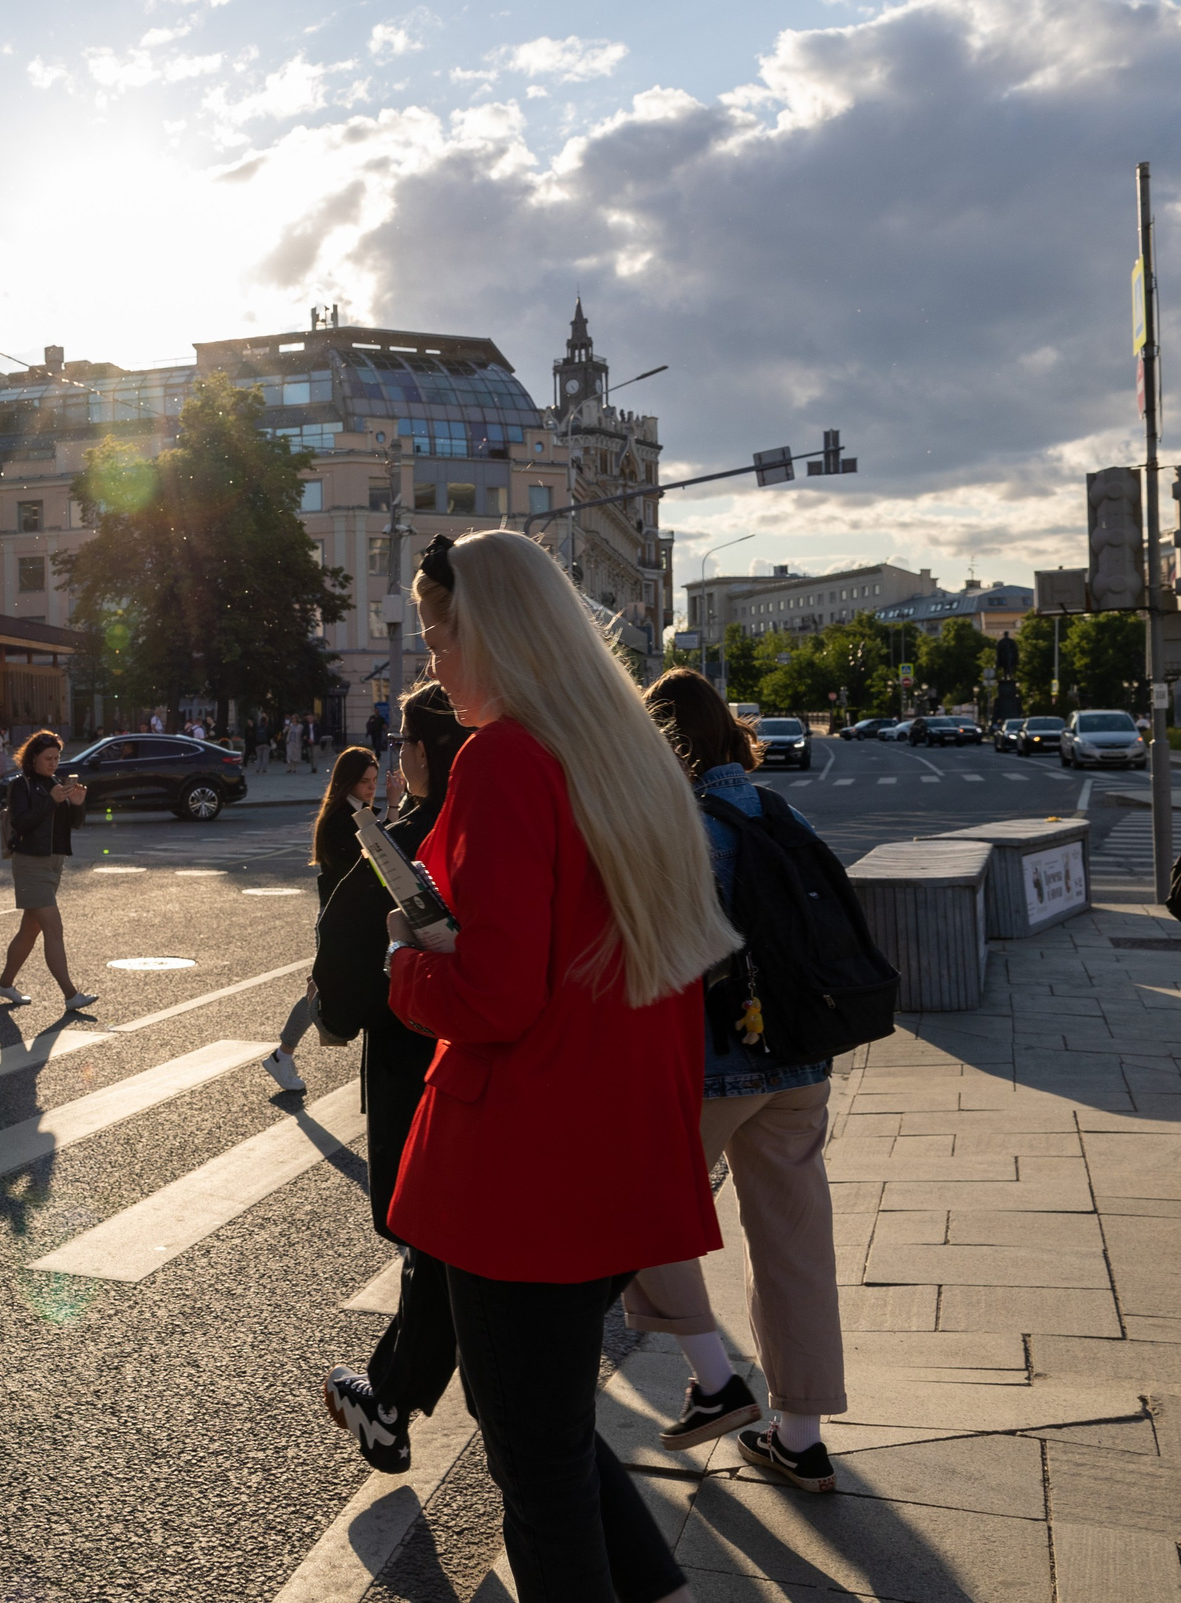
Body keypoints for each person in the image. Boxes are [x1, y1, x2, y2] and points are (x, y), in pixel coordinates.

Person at [381, 530, 734, 1602]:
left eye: (440, 633)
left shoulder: (503, 759)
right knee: (543, 1425)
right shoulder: (620, 749)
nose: (430, 661)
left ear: (493, 630)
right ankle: (659, 1589)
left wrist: (404, 963)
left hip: (518, 1165)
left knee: (533, 1469)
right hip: (611, 1147)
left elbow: (494, 996)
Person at [622, 670, 849, 1491]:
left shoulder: (679, 827)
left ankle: (713, 1381)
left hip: (719, 1063)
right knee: (795, 1242)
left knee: (636, 1206)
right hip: (802, 1062)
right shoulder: (781, 812)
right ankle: (801, 1435)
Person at [316, 681, 473, 1474]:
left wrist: (342, 1018)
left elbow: (340, 963)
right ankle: (390, 1395)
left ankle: (389, 1399)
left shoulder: (403, 843)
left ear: (418, 752)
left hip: (421, 1062)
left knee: (430, 1226)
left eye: (404, 746)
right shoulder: (500, 829)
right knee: (453, 1240)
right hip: (508, 1069)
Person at [264, 746, 382, 1094]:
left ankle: (281, 1057)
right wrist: (388, 810)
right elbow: (376, 857)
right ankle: (282, 1056)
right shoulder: (340, 818)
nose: (371, 787)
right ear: (348, 781)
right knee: (324, 989)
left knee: (321, 987)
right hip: (338, 920)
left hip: (348, 919)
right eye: (365, 781)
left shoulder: (356, 810)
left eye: (374, 780)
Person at [0, 730, 97, 1009]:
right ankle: (71, 995)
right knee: (54, 928)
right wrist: (50, 800)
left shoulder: (54, 783)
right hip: (31, 863)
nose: (53, 763)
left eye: (57, 758)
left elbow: (70, 825)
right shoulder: (21, 785)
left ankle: (4, 985)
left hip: (54, 862)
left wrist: (76, 805)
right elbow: (22, 823)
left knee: (30, 931)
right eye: (48, 758)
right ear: (33, 758)